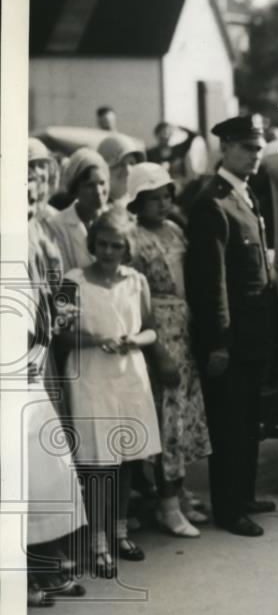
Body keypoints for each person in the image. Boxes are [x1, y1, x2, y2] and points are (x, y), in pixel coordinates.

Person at [186, 115, 276, 537]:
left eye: (258, 148)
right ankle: (229, 507)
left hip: (254, 335)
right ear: (225, 148)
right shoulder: (213, 202)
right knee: (230, 425)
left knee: (250, 421)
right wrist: (219, 344)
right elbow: (212, 284)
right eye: (246, 148)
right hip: (231, 340)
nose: (254, 155)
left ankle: (244, 494)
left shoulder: (244, 195)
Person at [62, 211, 162, 578]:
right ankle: (97, 542)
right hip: (91, 376)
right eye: (102, 244)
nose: (107, 251)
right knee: (96, 463)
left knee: (125, 460)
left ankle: (120, 534)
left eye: (116, 245)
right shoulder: (73, 281)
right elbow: (59, 334)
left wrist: (134, 340)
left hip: (128, 375)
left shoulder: (136, 281)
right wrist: (96, 340)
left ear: (127, 247)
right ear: (93, 243)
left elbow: (150, 330)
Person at [128, 162, 213, 537]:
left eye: (165, 196)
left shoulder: (176, 231)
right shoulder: (132, 239)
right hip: (158, 328)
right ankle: (165, 503)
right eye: (152, 198)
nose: (161, 204)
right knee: (168, 417)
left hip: (184, 326)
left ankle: (178, 492)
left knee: (184, 415)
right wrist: (156, 348)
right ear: (136, 203)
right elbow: (134, 298)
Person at [26, 147, 88, 606]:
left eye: (39, 174)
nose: (33, 184)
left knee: (46, 470)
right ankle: (25, 576)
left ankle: (48, 567)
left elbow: (50, 286)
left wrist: (58, 312)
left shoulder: (38, 226)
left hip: (37, 358)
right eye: (25, 174)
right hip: (16, 362)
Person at [46, 148, 110, 271]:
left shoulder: (119, 219)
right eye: (90, 185)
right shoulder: (57, 225)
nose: (98, 192)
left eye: (102, 183)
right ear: (75, 189)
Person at [98, 132, 147, 216]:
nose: (128, 171)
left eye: (132, 163)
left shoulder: (142, 207)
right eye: (120, 164)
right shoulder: (93, 211)